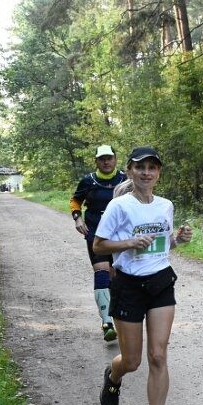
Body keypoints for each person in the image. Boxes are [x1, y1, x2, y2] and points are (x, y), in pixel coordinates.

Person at [94, 146, 192, 405]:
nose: (146, 172)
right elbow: (99, 245)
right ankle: (114, 373)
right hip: (128, 285)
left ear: (158, 173)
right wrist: (128, 242)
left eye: (152, 167)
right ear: (129, 171)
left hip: (161, 282)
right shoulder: (119, 207)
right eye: (140, 167)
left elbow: (162, 246)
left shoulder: (165, 205)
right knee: (133, 360)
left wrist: (178, 239)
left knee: (158, 355)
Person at [70, 145, 128, 341]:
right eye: (102, 158)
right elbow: (75, 200)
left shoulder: (124, 180)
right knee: (102, 270)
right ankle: (107, 323)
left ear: (115, 159)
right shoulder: (88, 181)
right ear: (96, 161)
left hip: (119, 234)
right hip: (95, 231)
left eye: (109, 158)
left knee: (115, 274)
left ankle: (117, 313)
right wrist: (77, 218)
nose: (106, 161)